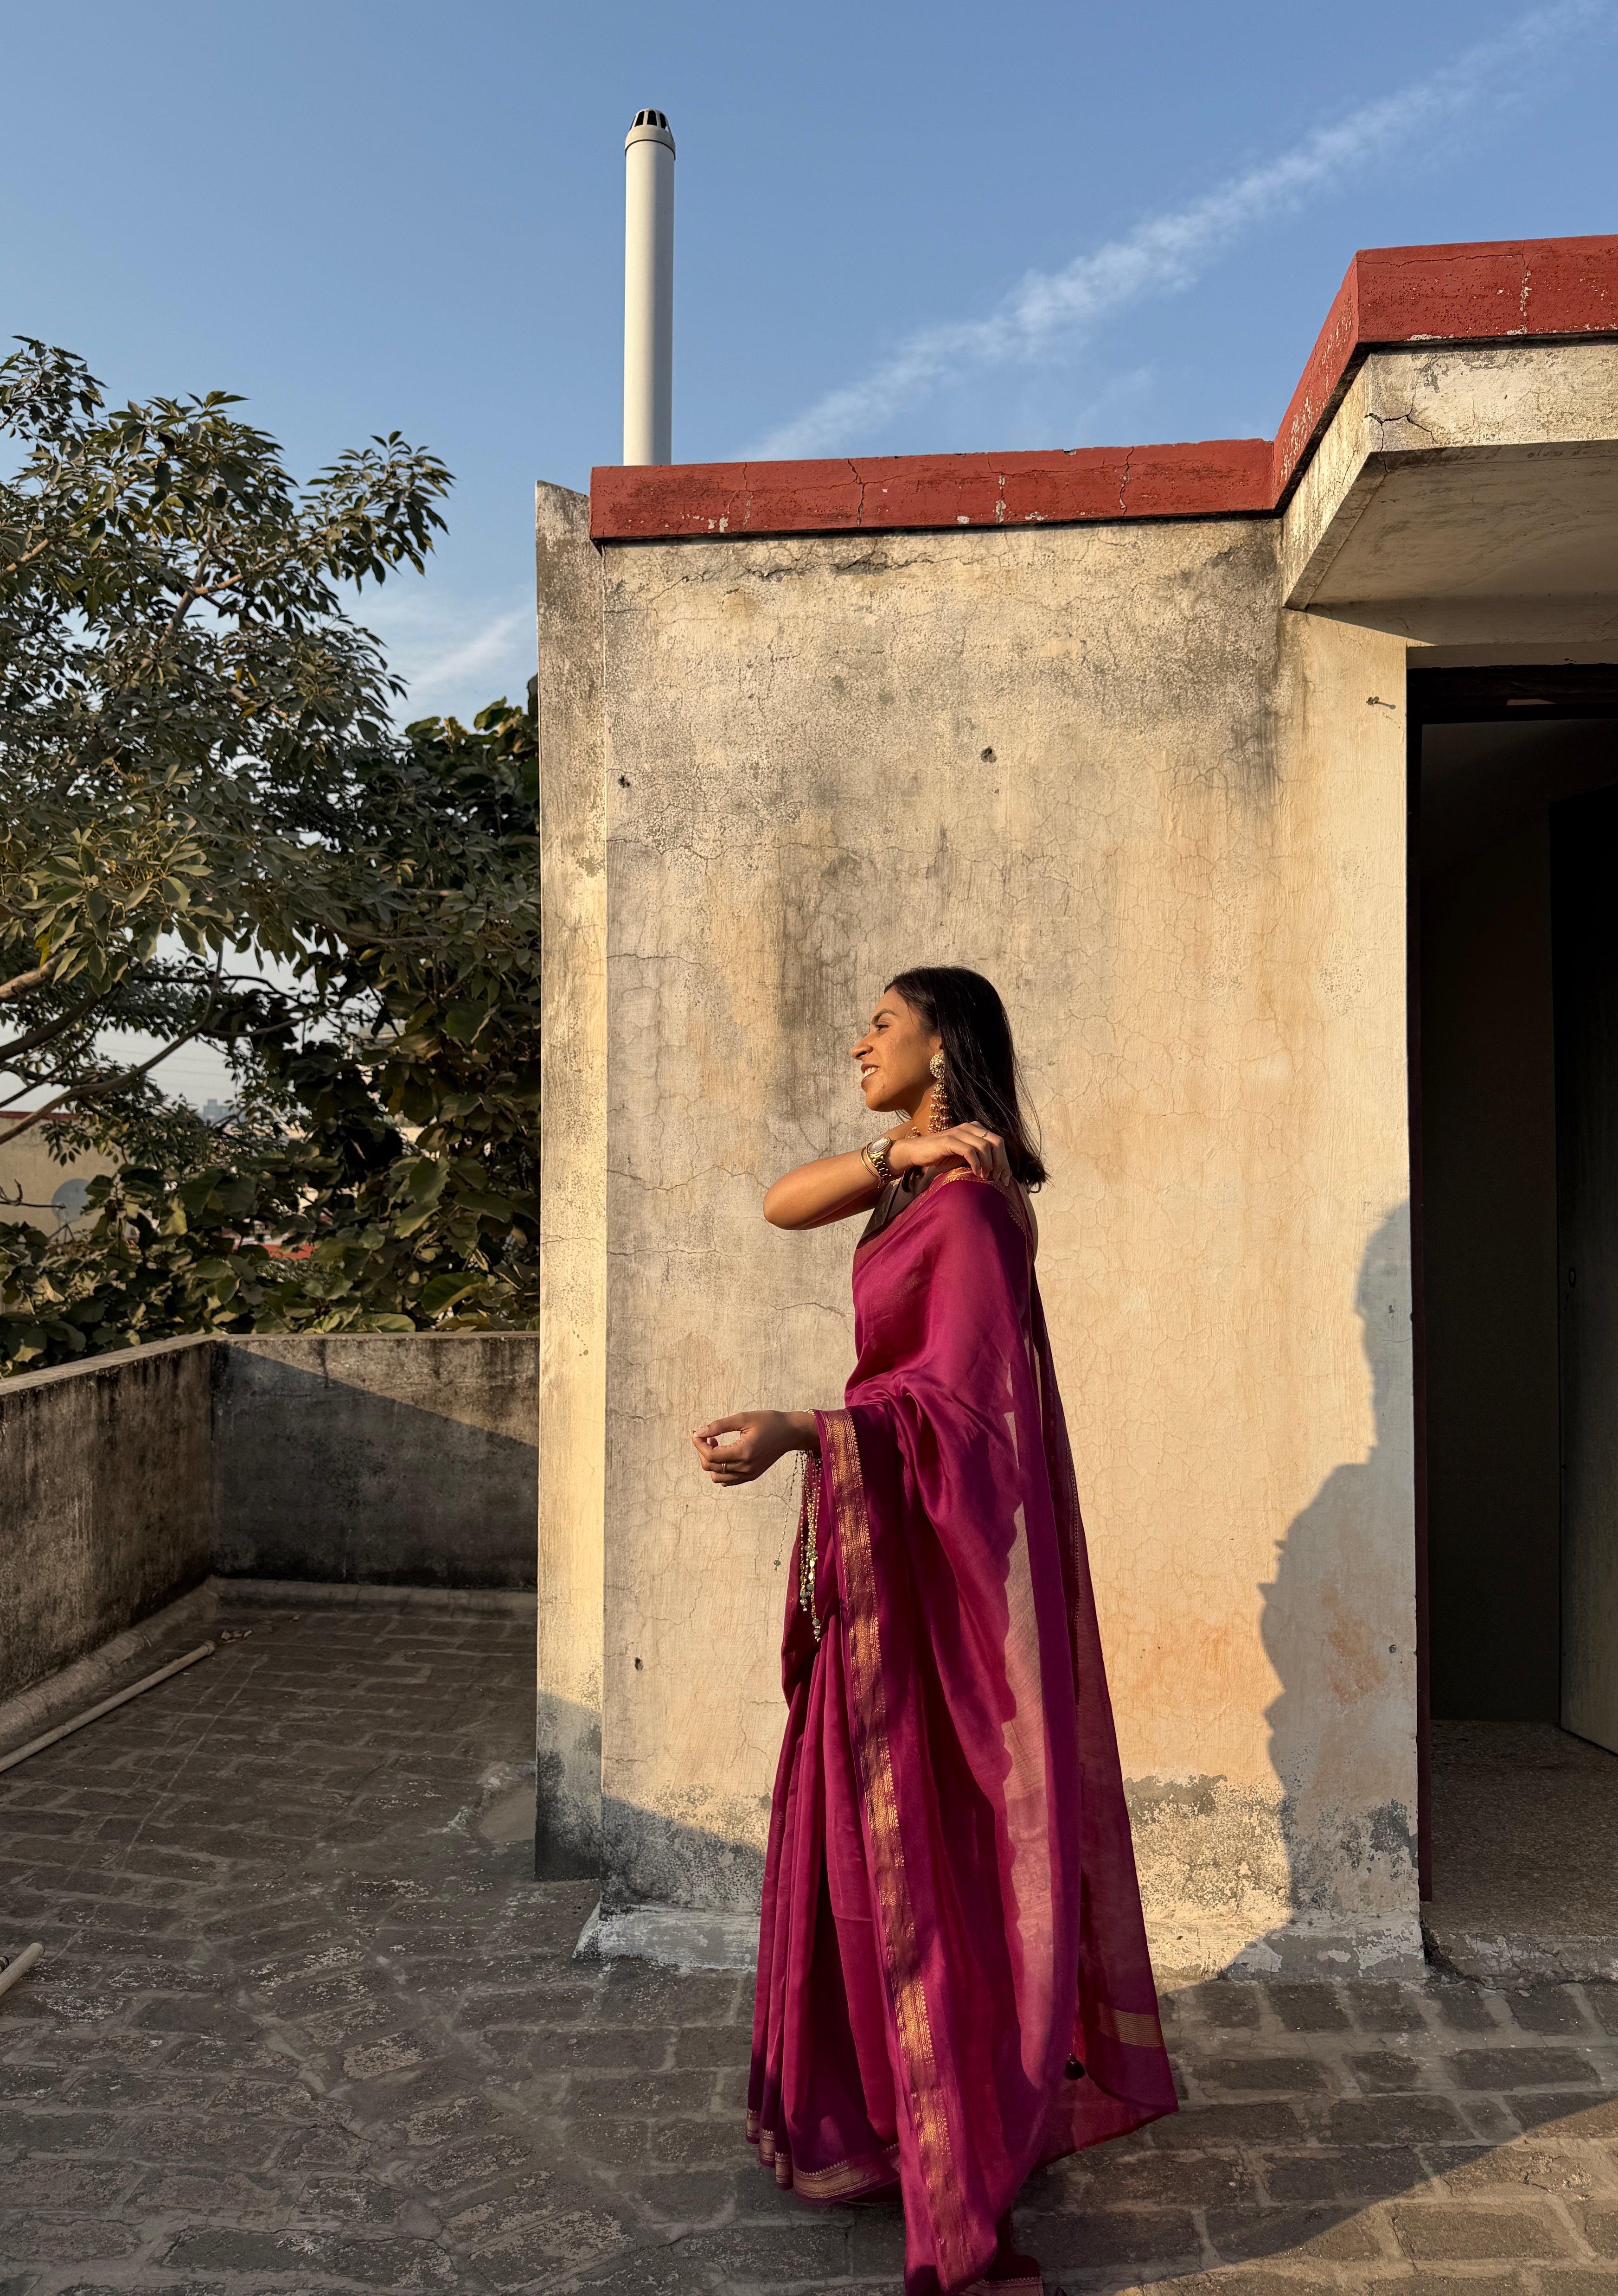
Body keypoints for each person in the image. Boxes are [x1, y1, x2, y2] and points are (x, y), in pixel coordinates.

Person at [692, 966, 1177, 2296]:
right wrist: (895, 1144)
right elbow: (783, 1201)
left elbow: (959, 1419)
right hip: (888, 1549)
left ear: (943, 1045)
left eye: (883, 1025)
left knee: (930, 1836)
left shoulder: (965, 1213)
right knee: (871, 1825)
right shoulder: (924, 1180)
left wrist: (806, 1431)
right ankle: (896, 2105)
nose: (859, 1039)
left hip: (925, 1551)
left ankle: (952, 2118)